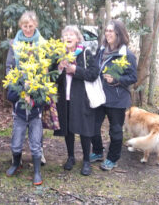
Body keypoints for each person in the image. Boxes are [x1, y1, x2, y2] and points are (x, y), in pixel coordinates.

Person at [5, 11, 46, 185]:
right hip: (19, 99)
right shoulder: (15, 44)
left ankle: (37, 170)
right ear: (20, 26)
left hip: (36, 99)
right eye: (24, 26)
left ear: (35, 25)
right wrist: (18, 85)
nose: (28, 29)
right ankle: (16, 162)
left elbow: (46, 68)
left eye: (30, 26)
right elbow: (9, 66)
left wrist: (36, 88)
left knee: (36, 142)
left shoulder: (42, 43)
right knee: (16, 141)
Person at [90, 20, 137, 171]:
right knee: (93, 127)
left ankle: (112, 158)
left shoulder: (127, 55)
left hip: (117, 99)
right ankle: (97, 152)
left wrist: (117, 79)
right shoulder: (101, 50)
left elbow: (133, 77)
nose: (108, 33)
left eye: (111, 31)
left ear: (119, 34)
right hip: (99, 96)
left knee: (115, 130)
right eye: (106, 31)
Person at [53, 26, 99, 176]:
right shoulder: (60, 55)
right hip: (64, 99)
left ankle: (86, 160)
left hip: (82, 99)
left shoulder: (85, 53)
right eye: (65, 34)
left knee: (85, 130)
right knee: (68, 130)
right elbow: (53, 78)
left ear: (78, 38)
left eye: (71, 34)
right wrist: (59, 69)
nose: (68, 36)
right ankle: (71, 157)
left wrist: (75, 70)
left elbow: (94, 73)